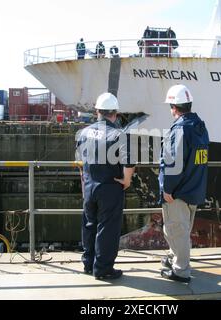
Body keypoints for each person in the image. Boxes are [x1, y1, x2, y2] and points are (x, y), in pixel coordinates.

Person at [76, 93, 136, 280]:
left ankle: (88, 263)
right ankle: (102, 269)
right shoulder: (119, 134)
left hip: (89, 185)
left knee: (89, 224)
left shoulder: (84, 132)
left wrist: (84, 181)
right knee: (107, 228)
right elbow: (129, 162)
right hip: (109, 187)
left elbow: (79, 161)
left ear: (97, 112)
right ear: (115, 113)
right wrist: (126, 181)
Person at [159, 84, 210, 283]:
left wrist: (168, 189)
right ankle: (175, 257)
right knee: (182, 230)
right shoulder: (200, 126)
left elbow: (172, 164)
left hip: (178, 193)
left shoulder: (179, 129)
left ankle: (181, 271)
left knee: (175, 230)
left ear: (174, 106)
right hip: (194, 189)